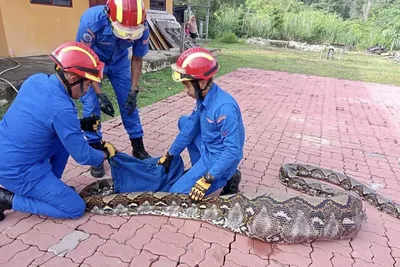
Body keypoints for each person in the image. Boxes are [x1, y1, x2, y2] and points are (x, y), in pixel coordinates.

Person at [0, 41, 118, 220]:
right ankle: (7, 199)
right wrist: (105, 154)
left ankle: (48, 188)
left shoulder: (36, 79)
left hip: (8, 152)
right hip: (17, 170)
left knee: (63, 142)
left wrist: (80, 124)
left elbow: (41, 119)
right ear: (72, 79)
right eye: (87, 85)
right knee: (75, 208)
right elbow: (83, 156)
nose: (86, 91)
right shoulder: (61, 108)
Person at [157, 47, 244, 202]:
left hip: (218, 156)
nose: (186, 91)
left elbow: (233, 150)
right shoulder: (203, 98)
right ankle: (199, 168)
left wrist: (207, 178)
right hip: (208, 146)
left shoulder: (224, 109)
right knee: (184, 122)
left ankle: (227, 177)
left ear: (202, 82)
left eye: (188, 86)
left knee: (175, 194)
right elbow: (189, 128)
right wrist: (170, 154)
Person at [76, 0, 151, 178]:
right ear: (110, 17)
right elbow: (84, 59)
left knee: (129, 103)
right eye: (124, 32)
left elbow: (138, 58)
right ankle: (95, 152)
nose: (127, 37)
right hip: (92, 63)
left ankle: (138, 146)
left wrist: (134, 89)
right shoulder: (91, 22)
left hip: (119, 63)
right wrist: (100, 94)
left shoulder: (143, 25)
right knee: (91, 106)